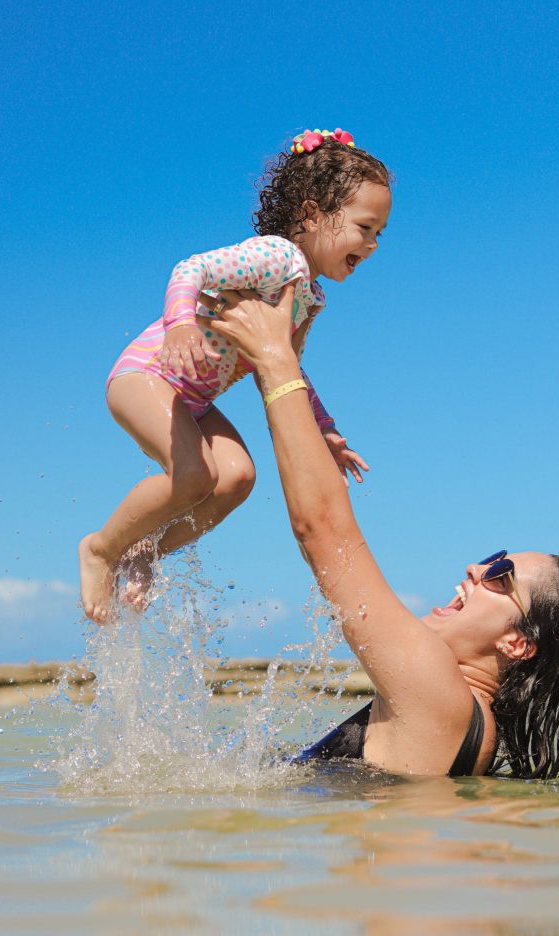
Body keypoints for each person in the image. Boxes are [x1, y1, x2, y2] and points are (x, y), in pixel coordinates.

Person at [199, 283, 559, 779]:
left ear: (518, 643)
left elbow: (324, 533)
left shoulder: (442, 696)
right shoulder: (469, 725)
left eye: (501, 575)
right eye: (493, 558)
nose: (476, 568)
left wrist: (274, 361)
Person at [79, 128, 392, 623]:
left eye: (379, 234)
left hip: (194, 400)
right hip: (148, 373)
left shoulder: (311, 296)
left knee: (238, 479)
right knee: (197, 475)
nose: (373, 244)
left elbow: (289, 368)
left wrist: (324, 429)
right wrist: (181, 325)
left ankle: (143, 551)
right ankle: (100, 548)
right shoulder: (277, 256)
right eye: (365, 227)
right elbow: (191, 269)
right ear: (311, 215)